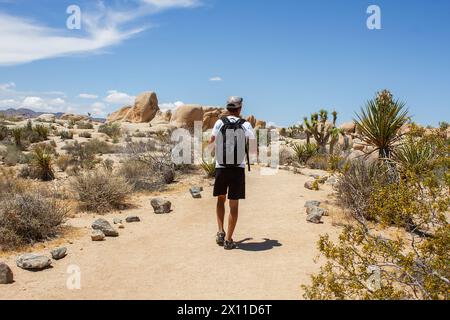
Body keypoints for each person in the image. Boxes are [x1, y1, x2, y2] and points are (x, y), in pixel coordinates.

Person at [209, 97, 256, 250]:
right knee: (234, 204)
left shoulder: (219, 122)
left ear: (227, 108)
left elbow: (212, 141)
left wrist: (215, 153)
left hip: (221, 166)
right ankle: (229, 240)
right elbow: (254, 147)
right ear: (240, 108)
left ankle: (220, 231)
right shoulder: (246, 124)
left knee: (220, 199)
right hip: (238, 168)